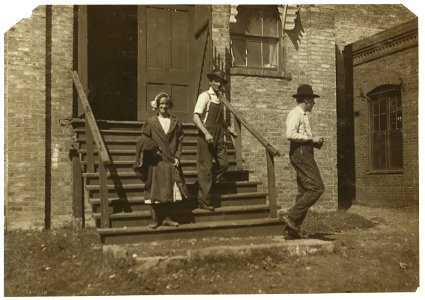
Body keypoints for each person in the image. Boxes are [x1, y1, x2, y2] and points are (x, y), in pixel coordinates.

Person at [134, 92, 189, 228]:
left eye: (167, 103)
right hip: (156, 161)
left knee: (169, 190)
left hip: (170, 161)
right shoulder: (151, 122)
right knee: (154, 190)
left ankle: (167, 219)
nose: (164, 106)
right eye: (162, 103)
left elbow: (180, 141)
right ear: (157, 106)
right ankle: (154, 220)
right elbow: (143, 140)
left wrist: (177, 156)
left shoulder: (175, 122)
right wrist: (152, 149)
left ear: (170, 105)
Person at [281, 84, 325, 239]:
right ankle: (291, 216)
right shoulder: (295, 114)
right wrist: (310, 139)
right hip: (300, 153)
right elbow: (290, 134)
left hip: (304, 152)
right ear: (306, 100)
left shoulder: (303, 115)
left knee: (303, 191)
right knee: (317, 187)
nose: (314, 104)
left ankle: (291, 231)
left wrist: (314, 142)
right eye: (312, 101)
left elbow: (300, 135)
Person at [193, 69, 237, 211]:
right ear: (211, 82)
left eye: (220, 82)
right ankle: (203, 201)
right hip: (206, 134)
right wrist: (206, 133)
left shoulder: (220, 98)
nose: (218, 84)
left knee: (224, 163)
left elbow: (220, 119)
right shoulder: (204, 96)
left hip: (218, 135)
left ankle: (205, 183)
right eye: (216, 81)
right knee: (205, 167)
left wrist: (229, 129)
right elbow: (195, 118)